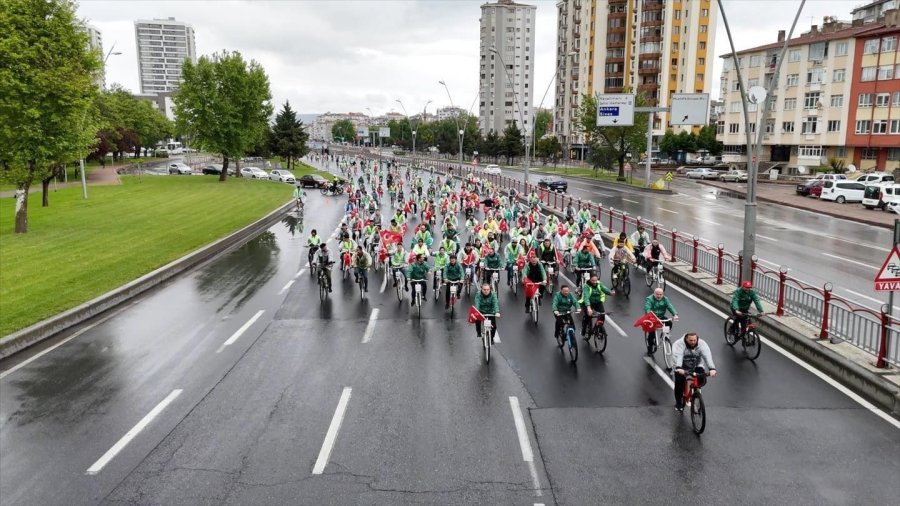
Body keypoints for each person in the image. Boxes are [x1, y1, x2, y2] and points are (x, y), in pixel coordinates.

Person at [672, 332, 717, 411]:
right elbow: (678, 356)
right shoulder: (679, 344)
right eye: (691, 340)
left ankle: (696, 394)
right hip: (681, 365)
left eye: (694, 340)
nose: (693, 342)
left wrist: (712, 368)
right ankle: (679, 402)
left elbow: (707, 356)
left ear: (697, 339)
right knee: (679, 381)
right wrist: (679, 368)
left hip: (696, 364)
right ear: (686, 339)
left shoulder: (702, 344)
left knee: (701, 378)